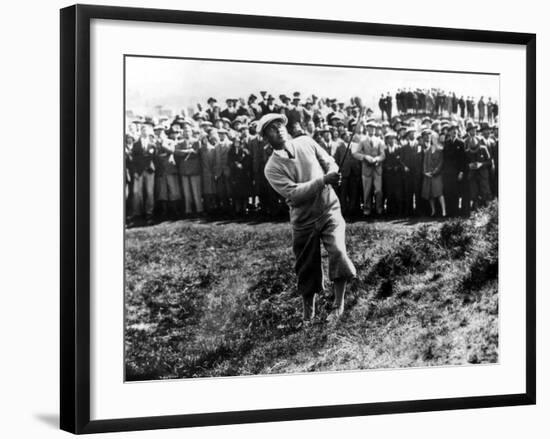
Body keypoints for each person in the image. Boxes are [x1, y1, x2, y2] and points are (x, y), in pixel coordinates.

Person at [261, 113, 356, 324]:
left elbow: (329, 162)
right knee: (306, 268)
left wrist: (333, 172)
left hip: (329, 208)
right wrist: (323, 179)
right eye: (272, 129)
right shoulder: (271, 168)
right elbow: (294, 193)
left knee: (339, 252)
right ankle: (308, 316)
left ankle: (337, 305)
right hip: (303, 220)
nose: (279, 130)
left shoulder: (306, 141)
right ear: (266, 138)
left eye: (280, 125)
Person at [352, 121, 385, 216]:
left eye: (374, 128)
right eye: (370, 128)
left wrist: (377, 159)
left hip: (377, 169)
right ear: (367, 129)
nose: (372, 130)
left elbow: (383, 155)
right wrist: (365, 157)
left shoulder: (380, 141)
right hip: (366, 169)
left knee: (378, 190)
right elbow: (355, 154)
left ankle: (379, 208)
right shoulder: (362, 141)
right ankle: (367, 209)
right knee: (367, 191)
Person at [129, 123, 156, 225]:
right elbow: (133, 160)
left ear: (149, 132)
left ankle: (149, 214)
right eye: (143, 130)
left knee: (150, 192)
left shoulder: (153, 144)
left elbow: (156, 158)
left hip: (149, 171)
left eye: (147, 130)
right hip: (139, 171)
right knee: (137, 193)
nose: (145, 132)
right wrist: (135, 172)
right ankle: (137, 214)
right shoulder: (136, 144)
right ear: (140, 132)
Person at [442, 123, 467, 217]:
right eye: (452, 131)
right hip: (447, 173)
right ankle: (449, 212)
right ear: (449, 133)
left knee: (456, 193)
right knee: (448, 192)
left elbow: (463, 159)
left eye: (456, 131)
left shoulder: (461, 143)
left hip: (457, 172)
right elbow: (444, 158)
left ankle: (455, 213)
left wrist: (461, 172)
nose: (454, 132)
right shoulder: (447, 143)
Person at [421, 129, 446, 217]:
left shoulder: (440, 150)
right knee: (430, 194)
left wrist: (435, 172)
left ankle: (443, 210)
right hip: (428, 174)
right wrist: (425, 172)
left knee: (439, 193)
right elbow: (424, 162)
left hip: (436, 175)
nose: (433, 140)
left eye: (435, 138)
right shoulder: (427, 150)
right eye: (432, 138)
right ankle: (433, 210)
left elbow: (441, 163)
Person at [228, 137, 252, 215]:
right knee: (236, 192)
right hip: (235, 174)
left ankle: (245, 208)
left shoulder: (245, 151)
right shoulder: (231, 151)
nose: (237, 143)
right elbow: (229, 161)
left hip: (244, 175)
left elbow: (249, 160)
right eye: (235, 142)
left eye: (238, 142)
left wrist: (243, 165)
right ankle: (237, 208)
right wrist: (235, 164)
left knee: (244, 193)